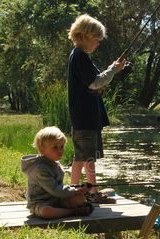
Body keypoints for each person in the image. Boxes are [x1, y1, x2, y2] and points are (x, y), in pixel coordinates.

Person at [67, 14, 125, 203]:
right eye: (96, 40)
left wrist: (111, 69)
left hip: (82, 118)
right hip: (86, 118)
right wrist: (114, 70)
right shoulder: (80, 57)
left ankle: (73, 191)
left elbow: (94, 82)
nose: (98, 44)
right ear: (83, 36)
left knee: (80, 157)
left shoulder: (77, 57)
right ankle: (92, 193)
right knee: (88, 158)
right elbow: (94, 82)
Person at [21, 126, 93, 219]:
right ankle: (72, 212)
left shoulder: (55, 163)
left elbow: (60, 187)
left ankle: (67, 210)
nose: (60, 151)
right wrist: (75, 190)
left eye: (62, 146)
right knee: (46, 212)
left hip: (57, 199)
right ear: (42, 150)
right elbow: (55, 189)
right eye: (55, 147)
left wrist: (79, 189)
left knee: (80, 198)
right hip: (41, 202)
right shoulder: (40, 169)